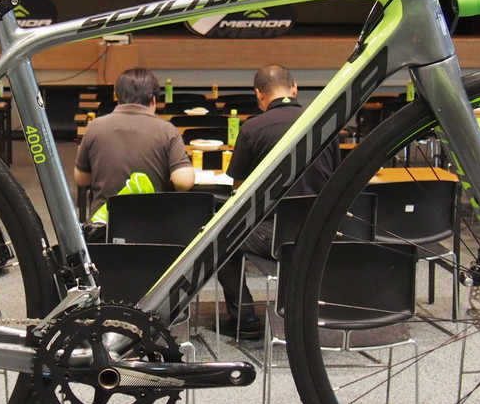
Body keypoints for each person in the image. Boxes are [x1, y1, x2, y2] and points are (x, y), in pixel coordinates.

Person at [216, 64, 340, 339]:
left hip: (276, 237)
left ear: (259, 95)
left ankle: (245, 319)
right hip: (322, 234)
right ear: (294, 89)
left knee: (218, 239)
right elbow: (335, 180)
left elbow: (239, 191)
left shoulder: (252, 128)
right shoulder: (326, 123)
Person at [75, 67, 195, 226]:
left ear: (117, 98)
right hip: (151, 227)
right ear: (154, 100)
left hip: (104, 227)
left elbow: (82, 179)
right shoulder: (167, 130)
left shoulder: (94, 127)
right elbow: (184, 182)